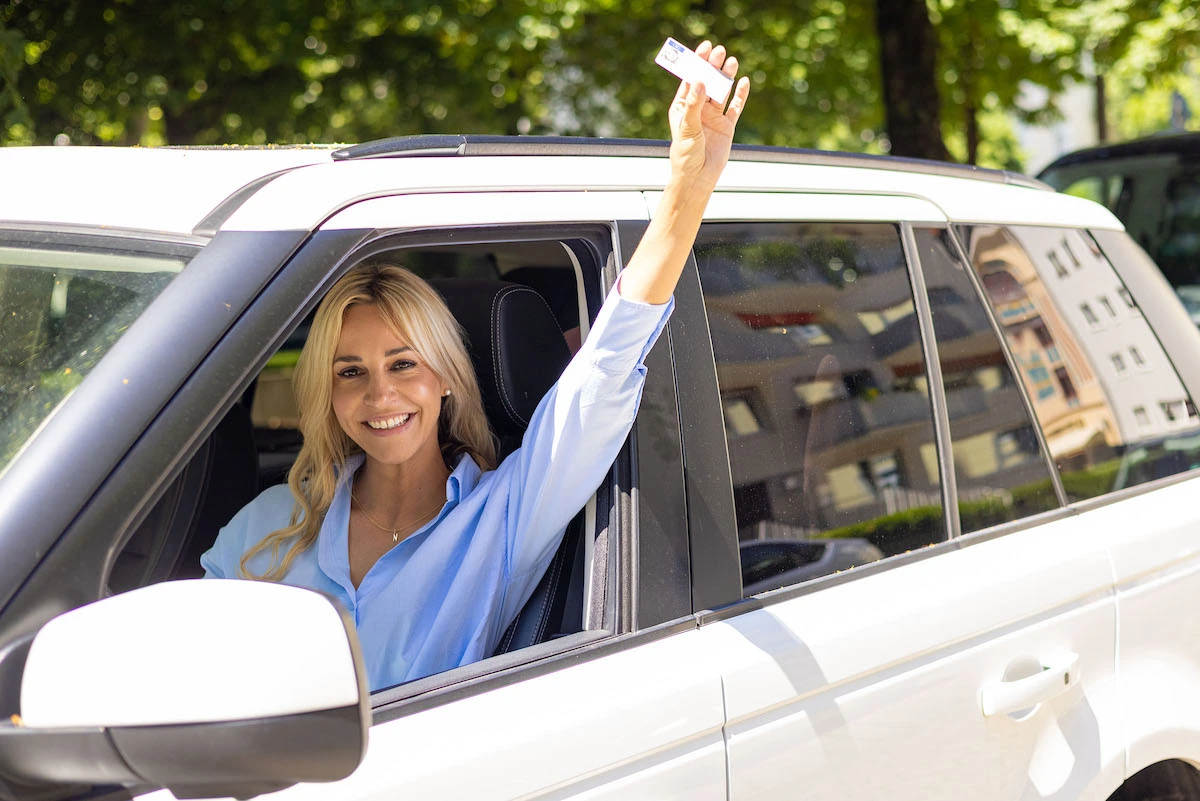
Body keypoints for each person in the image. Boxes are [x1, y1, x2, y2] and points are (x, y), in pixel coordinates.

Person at [201, 41, 751, 691]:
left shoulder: (502, 517)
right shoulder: (264, 527)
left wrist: (689, 182)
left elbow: (602, 371)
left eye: (403, 363)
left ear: (444, 378)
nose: (380, 394)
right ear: (327, 390)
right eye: (350, 371)